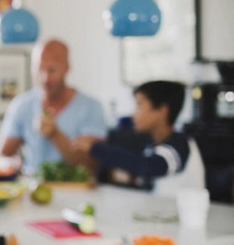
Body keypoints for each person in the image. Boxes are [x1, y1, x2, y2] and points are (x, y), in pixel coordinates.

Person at [0, 38, 106, 174]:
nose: (45, 78)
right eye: (40, 69)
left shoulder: (91, 107)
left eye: (52, 70)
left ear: (67, 68)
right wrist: (11, 164)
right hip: (31, 184)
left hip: (75, 186)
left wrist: (54, 134)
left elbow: (92, 163)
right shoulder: (21, 105)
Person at [74, 80, 205, 195]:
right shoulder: (151, 147)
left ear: (162, 110)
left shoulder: (181, 145)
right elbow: (142, 178)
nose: (133, 114)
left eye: (139, 104)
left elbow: (149, 166)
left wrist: (95, 147)